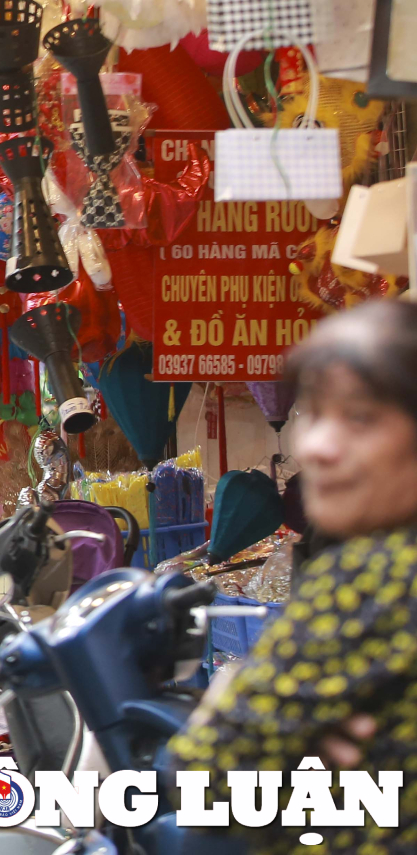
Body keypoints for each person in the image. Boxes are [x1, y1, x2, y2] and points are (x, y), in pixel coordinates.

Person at [170, 301, 417, 855]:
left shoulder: (375, 579)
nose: (317, 447)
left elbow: (209, 780)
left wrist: (236, 705)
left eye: (360, 418)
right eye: (316, 414)